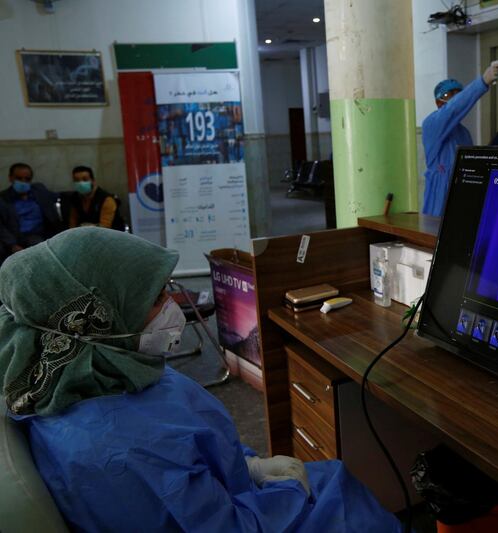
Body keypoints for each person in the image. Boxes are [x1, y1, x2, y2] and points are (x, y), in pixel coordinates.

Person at [0, 227, 402, 532]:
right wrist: (287, 492)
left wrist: (249, 463)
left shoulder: (95, 373)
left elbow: (191, 435)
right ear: (95, 318)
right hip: (250, 517)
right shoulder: (122, 454)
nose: (173, 307)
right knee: (340, 491)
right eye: (156, 298)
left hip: (236, 491)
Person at [421, 62, 498, 216]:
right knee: (432, 234)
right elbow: (453, 109)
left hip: (460, 195)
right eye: (449, 95)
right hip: (438, 196)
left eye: (459, 93)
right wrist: (483, 81)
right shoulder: (430, 125)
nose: (455, 98)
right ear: (438, 102)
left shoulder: (463, 133)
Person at [0, 162, 60, 254]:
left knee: (39, 247)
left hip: (37, 235)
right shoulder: (3, 198)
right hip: (15, 236)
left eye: (27, 179)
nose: (23, 182)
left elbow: (60, 197)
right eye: (19, 178)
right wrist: (12, 244)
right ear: (10, 178)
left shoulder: (39, 190)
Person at [67, 165, 125, 230]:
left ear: (93, 180)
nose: (81, 183)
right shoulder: (75, 198)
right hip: (84, 234)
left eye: (85, 179)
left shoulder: (107, 199)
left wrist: (88, 227)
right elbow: (72, 223)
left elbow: (105, 227)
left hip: (109, 235)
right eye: (77, 180)